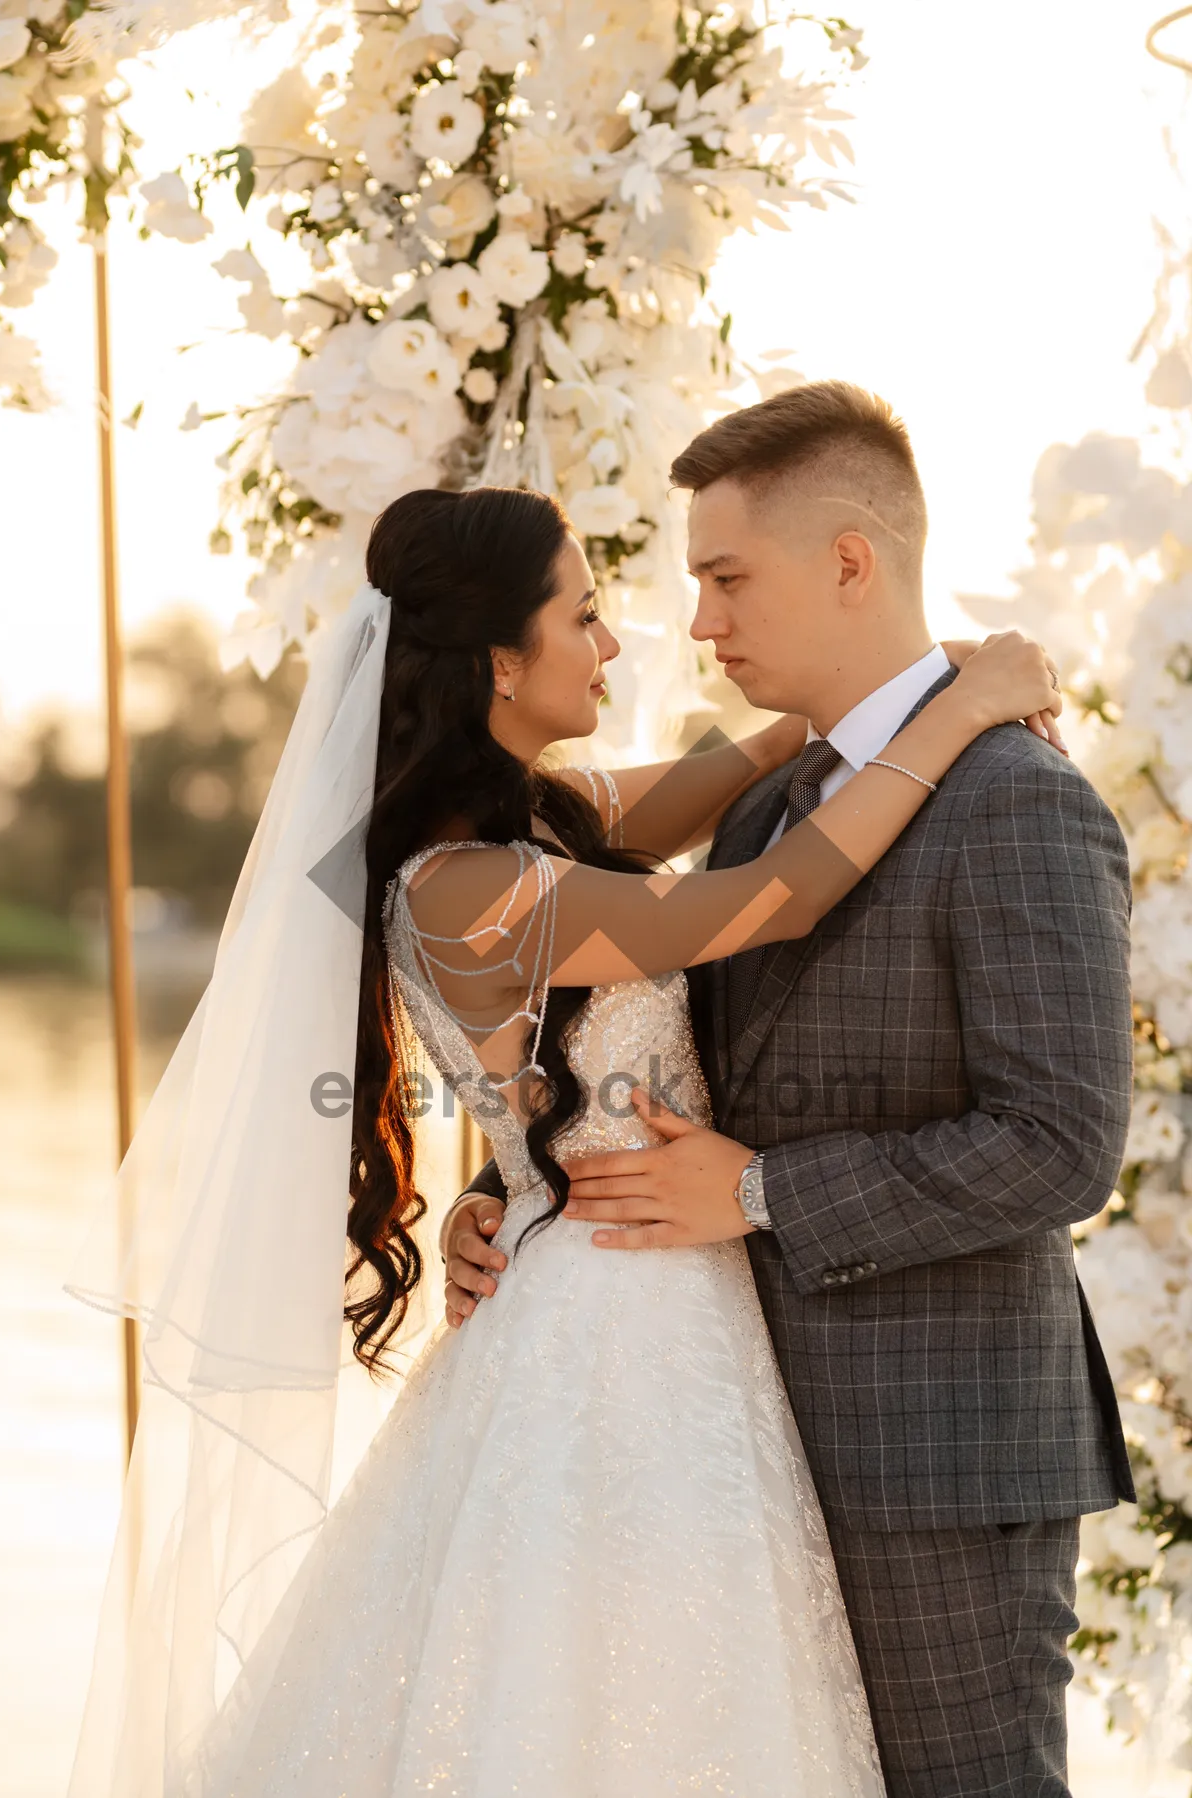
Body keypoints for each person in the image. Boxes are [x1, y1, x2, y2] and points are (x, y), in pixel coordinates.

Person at [67, 470, 1060, 1798]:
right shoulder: (474, 885)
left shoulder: (537, 821)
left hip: (641, 1274)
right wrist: (969, 711)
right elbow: (772, 894)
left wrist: (884, 686)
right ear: (497, 659)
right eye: (584, 618)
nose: (616, 642)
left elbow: (748, 766)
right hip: (609, 1324)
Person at [446, 383, 1137, 1798]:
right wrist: (511, 1192)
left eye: (724, 576)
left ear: (848, 561)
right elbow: (657, 1055)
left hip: (936, 1461)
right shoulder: (759, 808)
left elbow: (1062, 1142)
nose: (699, 622)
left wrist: (757, 1188)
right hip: (733, 1447)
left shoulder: (1018, 797)